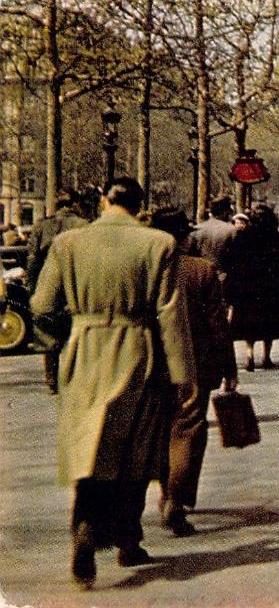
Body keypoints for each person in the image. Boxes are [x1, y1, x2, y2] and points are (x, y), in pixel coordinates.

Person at [31, 178, 194, 588]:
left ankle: (84, 527)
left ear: (103, 200)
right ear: (139, 206)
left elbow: (40, 305)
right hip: (138, 352)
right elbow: (170, 315)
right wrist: (182, 374)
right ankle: (127, 538)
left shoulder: (68, 244)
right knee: (136, 452)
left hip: (84, 352)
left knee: (89, 448)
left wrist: (61, 342)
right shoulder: (158, 244)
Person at [149, 207, 237, 538]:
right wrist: (228, 366)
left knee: (158, 431)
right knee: (187, 430)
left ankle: (162, 492)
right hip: (195, 363)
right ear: (185, 238)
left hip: (150, 362)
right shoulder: (202, 271)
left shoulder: (146, 270)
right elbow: (218, 324)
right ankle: (177, 499)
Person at [26, 189, 89, 392]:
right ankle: (74, 378)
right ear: (75, 204)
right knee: (75, 329)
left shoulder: (42, 225)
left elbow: (33, 259)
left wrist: (33, 287)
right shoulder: (84, 225)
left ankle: (52, 379)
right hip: (76, 282)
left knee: (48, 332)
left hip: (49, 281)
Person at [223, 204, 279, 371]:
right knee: (269, 323)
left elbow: (233, 263)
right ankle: (266, 357)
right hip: (271, 286)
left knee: (249, 323)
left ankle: (249, 355)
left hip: (248, 286)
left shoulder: (242, 237)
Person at [186, 196, 236, 271]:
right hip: (224, 275)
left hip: (201, 274)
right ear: (226, 212)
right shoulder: (232, 230)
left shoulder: (196, 229)